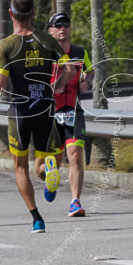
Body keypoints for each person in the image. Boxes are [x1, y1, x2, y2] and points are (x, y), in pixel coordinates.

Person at [0, 0, 74, 233]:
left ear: (11, 14)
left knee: (20, 167)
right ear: (33, 14)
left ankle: (37, 218)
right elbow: (70, 68)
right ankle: (49, 173)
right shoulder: (47, 40)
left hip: (20, 112)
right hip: (45, 107)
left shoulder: (6, 45)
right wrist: (57, 85)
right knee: (42, 162)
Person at [47, 12, 93, 217]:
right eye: (58, 25)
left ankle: (75, 201)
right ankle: (52, 180)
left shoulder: (80, 52)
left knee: (75, 155)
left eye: (66, 24)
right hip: (51, 113)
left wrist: (86, 80)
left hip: (74, 110)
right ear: (51, 31)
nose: (62, 28)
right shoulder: (46, 54)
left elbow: (90, 71)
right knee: (56, 160)